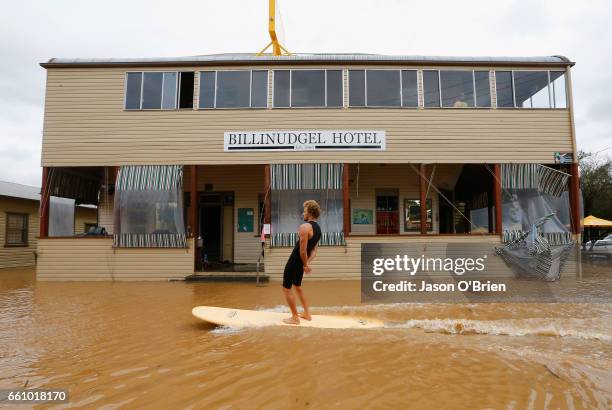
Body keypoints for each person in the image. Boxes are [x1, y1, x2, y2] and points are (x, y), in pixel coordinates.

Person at [282, 200, 322, 325]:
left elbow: (303, 251)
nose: (302, 214)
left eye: (304, 211)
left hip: (295, 260)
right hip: (301, 263)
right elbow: (314, 252)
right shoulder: (318, 229)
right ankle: (307, 314)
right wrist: (306, 264)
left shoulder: (305, 227)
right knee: (297, 287)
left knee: (286, 288)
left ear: (309, 213)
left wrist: (305, 264)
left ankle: (295, 318)